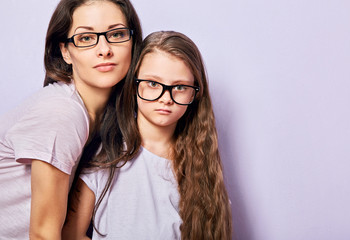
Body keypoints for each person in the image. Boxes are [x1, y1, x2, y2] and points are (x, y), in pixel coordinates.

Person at [62, 31, 232, 239]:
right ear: (133, 85)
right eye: (153, 83)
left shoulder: (201, 166)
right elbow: (71, 234)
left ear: (195, 93)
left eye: (179, 87)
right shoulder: (106, 153)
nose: (166, 98)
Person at [0, 0, 142, 238]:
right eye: (86, 38)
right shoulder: (63, 113)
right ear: (65, 51)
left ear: (132, 42)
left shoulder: (107, 119)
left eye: (116, 34)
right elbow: (43, 235)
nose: (104, 49)